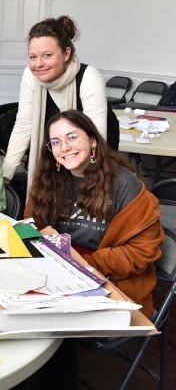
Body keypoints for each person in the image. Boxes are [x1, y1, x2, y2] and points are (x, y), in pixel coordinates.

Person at [25, 110, 163, 316]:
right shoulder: (48, 179)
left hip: (110, 278)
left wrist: (81, 264)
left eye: (72, 137)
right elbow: (31, 227)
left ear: (92, 141)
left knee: (48, 319)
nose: (64, 148)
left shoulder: (126, 185)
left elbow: (141, 252)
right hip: (58, 269)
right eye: (55, 142)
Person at [2, 15, 111, 188]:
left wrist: (85, 182)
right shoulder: (30, 76)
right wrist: (6, 173)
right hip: (56, 149)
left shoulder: (90, 78)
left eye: (47, 55)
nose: (38, 64)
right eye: (32, 57)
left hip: (93, 151)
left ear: (66, 53)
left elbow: (97, 138)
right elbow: (24, 125)